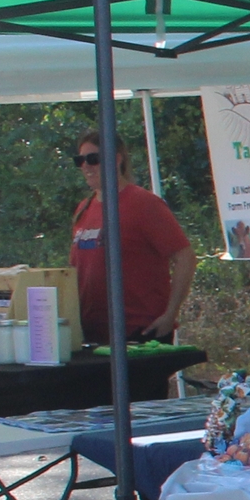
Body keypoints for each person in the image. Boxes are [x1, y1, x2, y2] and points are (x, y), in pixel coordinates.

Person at [70, 130, 194, 346]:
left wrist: (170, 314)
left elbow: (185, 257)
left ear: (116, 159)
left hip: (139, 331)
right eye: (80, 161)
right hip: (93, 333)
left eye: (93, 159)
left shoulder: (143, 203)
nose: (86, 166)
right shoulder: (84, 208)